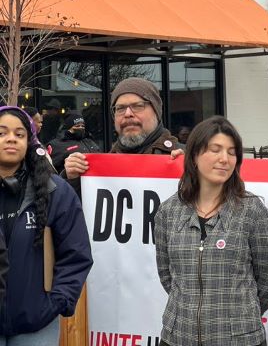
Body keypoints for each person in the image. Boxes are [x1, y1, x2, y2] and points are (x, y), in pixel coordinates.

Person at [154, 116, 268, 346]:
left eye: (232, 152)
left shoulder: (252, 210)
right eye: (215, 150)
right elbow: (167, 275)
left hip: (239, 340)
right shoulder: (168, 211)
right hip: (178, 337)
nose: (224, 159)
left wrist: (239, 313)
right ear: (194, 155)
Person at [0, 106, 92, 343]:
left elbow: (76, 253)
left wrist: (57, 301)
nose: (11, 138)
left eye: (19, 134)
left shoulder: (55, 191)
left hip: (37, 324)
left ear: (30, 141)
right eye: (2, 133)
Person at [64, 78, 182, 183]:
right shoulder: (100, 169)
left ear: (156, 112)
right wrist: (73, 180)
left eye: (138, 106)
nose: (128, 114)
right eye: (120, 108)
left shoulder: (188, 160)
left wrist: (194, 173)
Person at [47, 111, 101, 176]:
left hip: (93, 182)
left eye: (82, 125)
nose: (80, 128)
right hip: (70, 183)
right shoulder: (56, 145)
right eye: (77, 125)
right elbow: (50, 171)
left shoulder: (90, 141)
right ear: (68, 127)